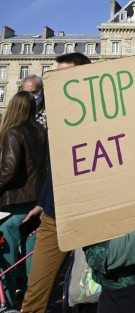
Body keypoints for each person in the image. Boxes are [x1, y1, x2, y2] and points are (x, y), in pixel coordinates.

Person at [21, 52, 92, 313]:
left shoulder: (102, 115)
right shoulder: (55, 116)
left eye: (65, 75)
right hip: (54, 215)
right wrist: (41, 204)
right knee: (35, 294)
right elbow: (56, 168)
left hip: (90, 213)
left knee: (92, 292)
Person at [0, 91, 46, 307]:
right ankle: (32, 305)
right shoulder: (40, 131)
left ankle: (6, 304)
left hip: (13, 204)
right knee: (32, 261)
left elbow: (8, 171)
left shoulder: (13, 132)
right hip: (35, 202)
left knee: (6, 260)